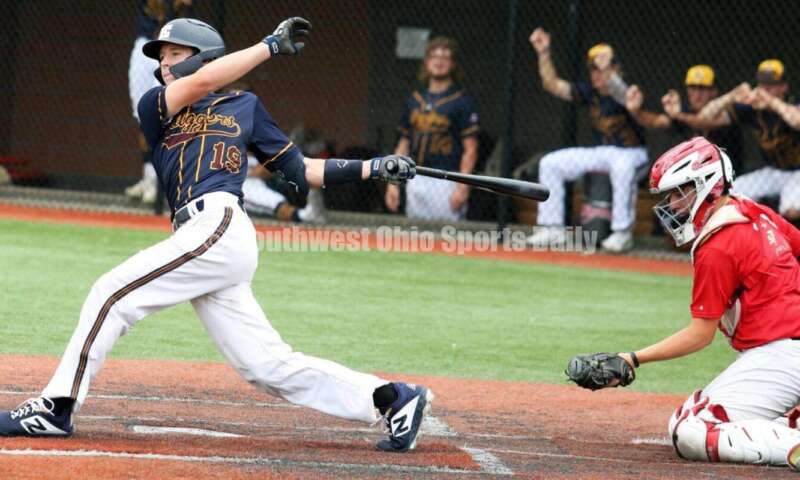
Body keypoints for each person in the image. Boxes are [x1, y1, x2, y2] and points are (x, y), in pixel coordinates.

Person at [0, 17, 432, 453]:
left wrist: (374, 167)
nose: (164, 63)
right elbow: (204, 79)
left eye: (175, 54)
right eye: (161, 56)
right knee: (265, 365)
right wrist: (269, 46)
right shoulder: (156, 105)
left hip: (219, 225)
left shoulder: (245, 106)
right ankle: (393, 398)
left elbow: (302, 171)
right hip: (202, 235)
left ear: (203, 55)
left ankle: (55, 407)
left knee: (110, 294)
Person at [575, 137, 800, 471]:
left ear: (707, 185)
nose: (674, 203)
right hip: (785, 353)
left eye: (681, 192)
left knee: (691, 428)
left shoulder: (717, 246)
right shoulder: (753, 212)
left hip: (782, 355)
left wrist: (632, 359)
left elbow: (700, 334)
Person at [526, 28, 648, 253]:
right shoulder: (590, 92)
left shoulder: (629, 91)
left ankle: (622, 233)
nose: (596, 74)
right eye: (593, 69)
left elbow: (621, 92)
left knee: (621, 168)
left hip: (632, 153)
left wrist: (609, 72)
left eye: (602, 68)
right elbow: (552, 84)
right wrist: (543, 53)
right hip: (602, 152)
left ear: (617, 69)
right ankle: (552, 228)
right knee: (550, 163)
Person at [385, 36, 479, 222]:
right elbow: (403, 144)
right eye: (435, 56)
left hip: (446, 179)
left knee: (447, 238)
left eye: (445, 57)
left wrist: (462, 187)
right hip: (416, 175)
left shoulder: (461, 101)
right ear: (427, 62)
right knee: (415, 236)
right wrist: (392, 183)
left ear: (452, 64)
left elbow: (471, 149)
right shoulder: (414, 100)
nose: (439, 61)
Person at [696, 59, 800, 221]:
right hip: (773, 171)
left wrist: (771, 101)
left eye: (771, 85)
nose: (764, 90)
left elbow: (797, 121)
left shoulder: (793, 103)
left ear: (784, 87)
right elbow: (703, 117)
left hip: (798, 172)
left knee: (791, 211)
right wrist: (732, 96)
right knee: (729, 195)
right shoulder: (751, 109)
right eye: (762, 85)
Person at [125, 0, 195, 204]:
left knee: (172, 113)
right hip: (146, 47)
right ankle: (149, 178)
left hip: (173, 51)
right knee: (143, 114)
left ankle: (164, 181)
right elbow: (157, 9)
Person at [625, 64, 744, 174]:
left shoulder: (725, 109)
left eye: (702, 89)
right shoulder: (686, 112)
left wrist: (678, 115)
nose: (697, 94)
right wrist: (636, 112)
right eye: (693, 88)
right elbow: (658, 122)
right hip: (696, 176)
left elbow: (702, 122)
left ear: (713, 91)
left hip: (726, 175)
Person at [243, 154, 326, 223]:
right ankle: (304, 215)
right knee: (273, 201)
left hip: (266, 180)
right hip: (242, 184)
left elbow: (265, 169)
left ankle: (314, 209)